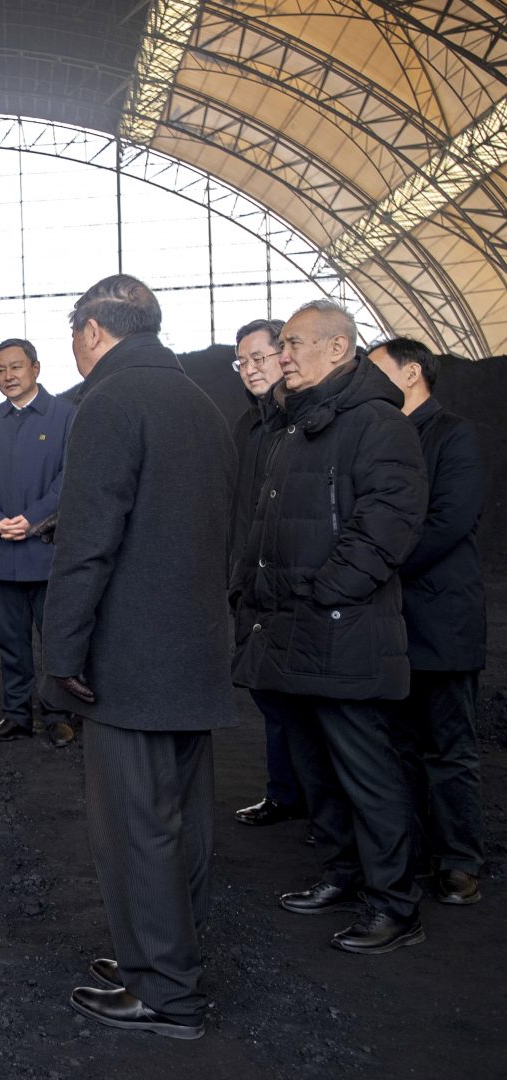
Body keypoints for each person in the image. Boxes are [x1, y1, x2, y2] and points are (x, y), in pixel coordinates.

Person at [42, 275, 234, 1040]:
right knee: (185, 823)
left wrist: (62, 652)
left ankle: (166, 994)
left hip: (130, 658)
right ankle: (164, 958)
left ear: (91, 330)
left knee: (136, 828)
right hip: (195, 648)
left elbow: (87, 542)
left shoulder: (110, 403)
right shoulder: (203, 404)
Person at [232, 300, 428, 954]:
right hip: (291, 630)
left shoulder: (376, 424)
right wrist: (252, 594)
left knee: (367, 773)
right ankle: (343, 875)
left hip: (341, 631)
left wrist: (327, 593)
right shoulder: (297, 424)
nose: (281, 356)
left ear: (338, 348)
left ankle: (394, 905)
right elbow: (266, 527)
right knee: (317, 768)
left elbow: (389, 524)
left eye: (292, 344)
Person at [368, 336, 487, 906]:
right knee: (398, 746)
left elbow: (449, 521)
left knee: (449, 747)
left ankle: (459, 860)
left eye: (377, 370)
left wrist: (376, 561)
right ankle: (412, 852)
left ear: (412, 373)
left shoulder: (454, 435)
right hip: (388, 621)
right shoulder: (377, 435)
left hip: (441, 619)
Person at [0, 338, 77, 746]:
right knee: (11, 641)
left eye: (16, 367)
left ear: (35, 368)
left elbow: (69, 476)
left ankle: (58, 715)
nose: (8, 376)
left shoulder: (65, 416)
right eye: (0, 370)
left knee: (56, 638)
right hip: (3, 550)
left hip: (48, 549)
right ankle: (16, 715)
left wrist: (33, 519)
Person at [226, 319, 308, 829]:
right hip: (251, 582)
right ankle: (284, 793)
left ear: (285, 354)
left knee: (303, 700)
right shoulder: (247, 427)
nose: (251, 368)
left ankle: (324, 808)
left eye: (259, 357)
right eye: (242, 361)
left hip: (294, 582)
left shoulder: (302, 420)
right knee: (269, 692)